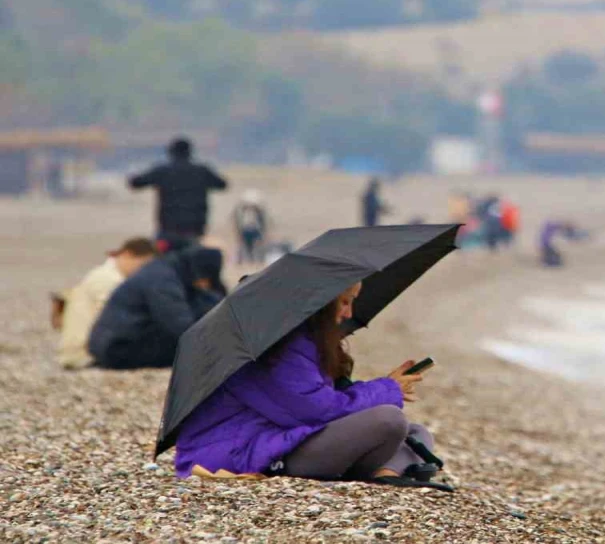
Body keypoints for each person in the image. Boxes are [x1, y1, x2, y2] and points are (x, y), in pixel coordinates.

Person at [174, 282, 443, 488]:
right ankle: (387, 471)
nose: (349, 313)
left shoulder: (303, 341)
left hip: (285, 439)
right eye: (345, 302)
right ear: (322, 304)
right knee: (389, 420)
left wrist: (386, 387)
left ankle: (386, 475)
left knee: (416, 432)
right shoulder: (274, 347)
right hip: (252, 454)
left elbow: (322, 402)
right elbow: (316, 411)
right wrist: (387, 389)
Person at [88, 246, 226, 370]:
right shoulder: (163, 279)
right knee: (187, 347)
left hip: (109, 344)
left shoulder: (167, 269)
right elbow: (178, 324)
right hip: (116, 349)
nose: (204, 285)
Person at [52, 237, 157, 369]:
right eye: (142, 265)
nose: (144, 271)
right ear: (127, 255)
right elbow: (112, 321)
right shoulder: (108, 280)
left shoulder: (103, 274)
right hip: (83, 354)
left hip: (80, 350)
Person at [129, 138, 228, 252]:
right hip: (195, 230)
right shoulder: (201, 171)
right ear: (190, 152)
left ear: (171, 152)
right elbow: (222, 184)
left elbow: (136, 183)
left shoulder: (162, 171)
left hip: (168, 230)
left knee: (159, 262)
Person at [232, 189, 270, 264]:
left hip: (254, 230)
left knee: (257, 247)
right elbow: (238, 221)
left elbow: (262, 222)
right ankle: (245, 261)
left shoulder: (258, 212)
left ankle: (257, 260)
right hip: (246, 230)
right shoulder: (242, 212)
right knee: (245, 247)